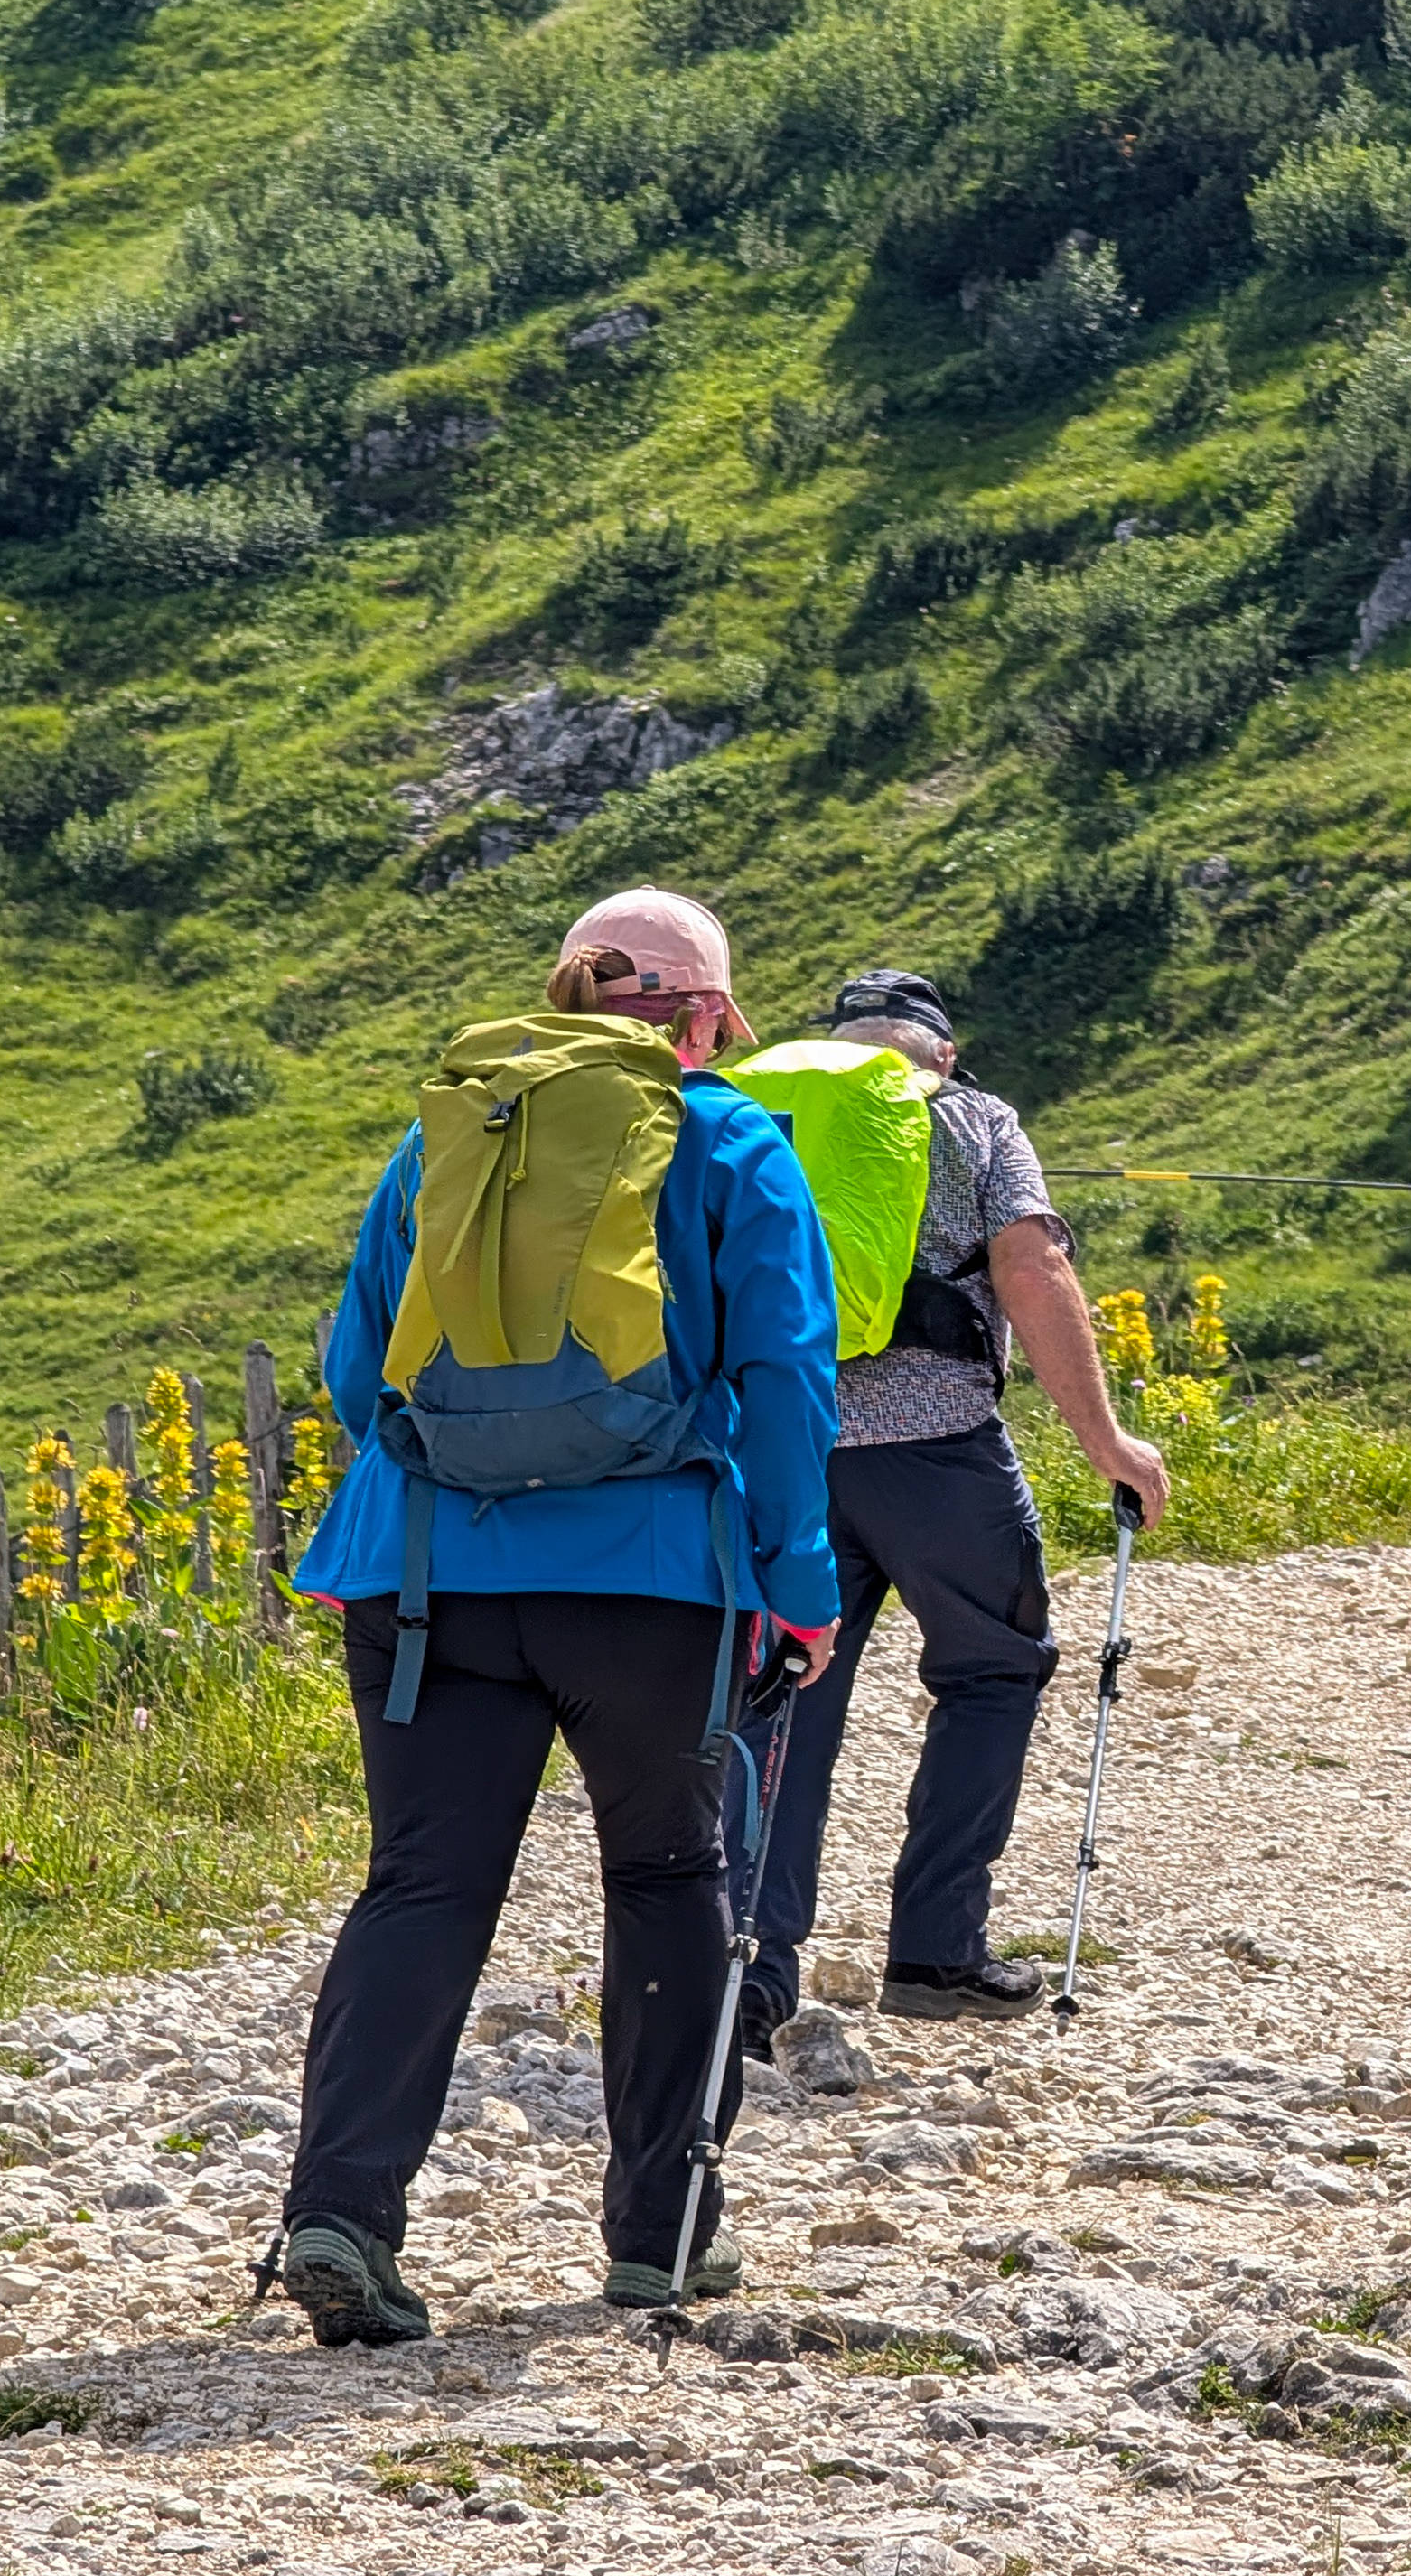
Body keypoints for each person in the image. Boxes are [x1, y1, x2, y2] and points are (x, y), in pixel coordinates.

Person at [273, 887, 838, 2341]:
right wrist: (799, 1583)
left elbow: (355, 1377)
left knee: (422, 1884)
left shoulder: (446, 1137)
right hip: (652, 1588)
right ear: (706, 1019)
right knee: (666, 1878)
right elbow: (785, 1384)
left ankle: (340, 2214)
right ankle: (664, 2240)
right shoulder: (732, 1142)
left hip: (427, 1579)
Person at [737, 966, 1169, 2048]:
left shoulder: (759, 1114)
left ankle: (749, 1966)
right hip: (936, 1453)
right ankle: (937, 1951)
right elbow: (1031, 1268)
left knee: (780, 1691)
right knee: (991, 1669)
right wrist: (1104, 1441)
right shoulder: (973, 1115)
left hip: (781, 1447)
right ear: (943, 1046)